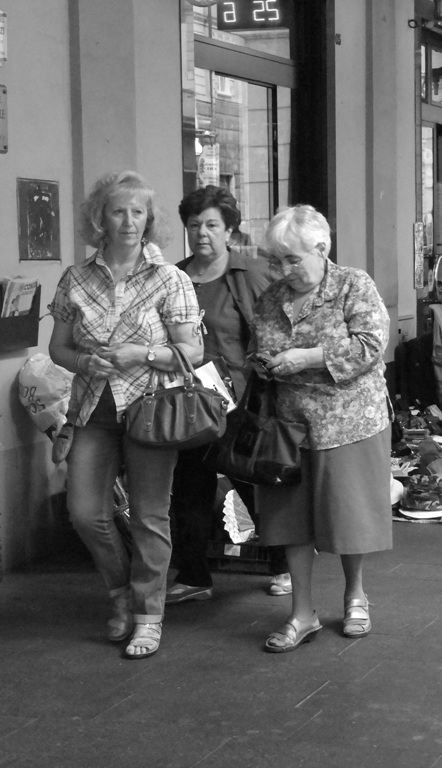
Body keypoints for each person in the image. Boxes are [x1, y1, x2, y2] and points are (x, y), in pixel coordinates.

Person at [48, 170, 203, 659]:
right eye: (119, 210)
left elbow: (192, 350)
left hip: (151, 407)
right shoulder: (75, 278)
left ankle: (147, 617)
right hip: (93, 408)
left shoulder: (171, 278)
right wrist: (83, 361)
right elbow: (58, 348)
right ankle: (120, 593)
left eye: (139, 212)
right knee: (85, 512)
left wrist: (144, 353)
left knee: (149, 516)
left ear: (150, 220)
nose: (129, 221)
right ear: (100, 218)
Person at [252, 204, 391, 653]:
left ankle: (355, 596)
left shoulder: (354, 284)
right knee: (290, 520)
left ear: (322, 247)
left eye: (293, 259)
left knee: (349, 518)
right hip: (289, 426)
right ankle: (302, 612)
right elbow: (264, 345)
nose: (284, 269)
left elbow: (371, 344)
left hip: (349, 419)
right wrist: (266, 364)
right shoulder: (271, 298)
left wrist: (308, 357)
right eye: (278, 260)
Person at [166, 185, 290, 606]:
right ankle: (194, 574)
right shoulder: (173, 277)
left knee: (253, 484)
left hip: (238, 403)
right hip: (185, 403)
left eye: (212, 225)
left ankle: (283, 565)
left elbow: (273, 330)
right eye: (195, 224)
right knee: (188, 488)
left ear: (230, 230)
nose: (202, 233)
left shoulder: (249, 274)